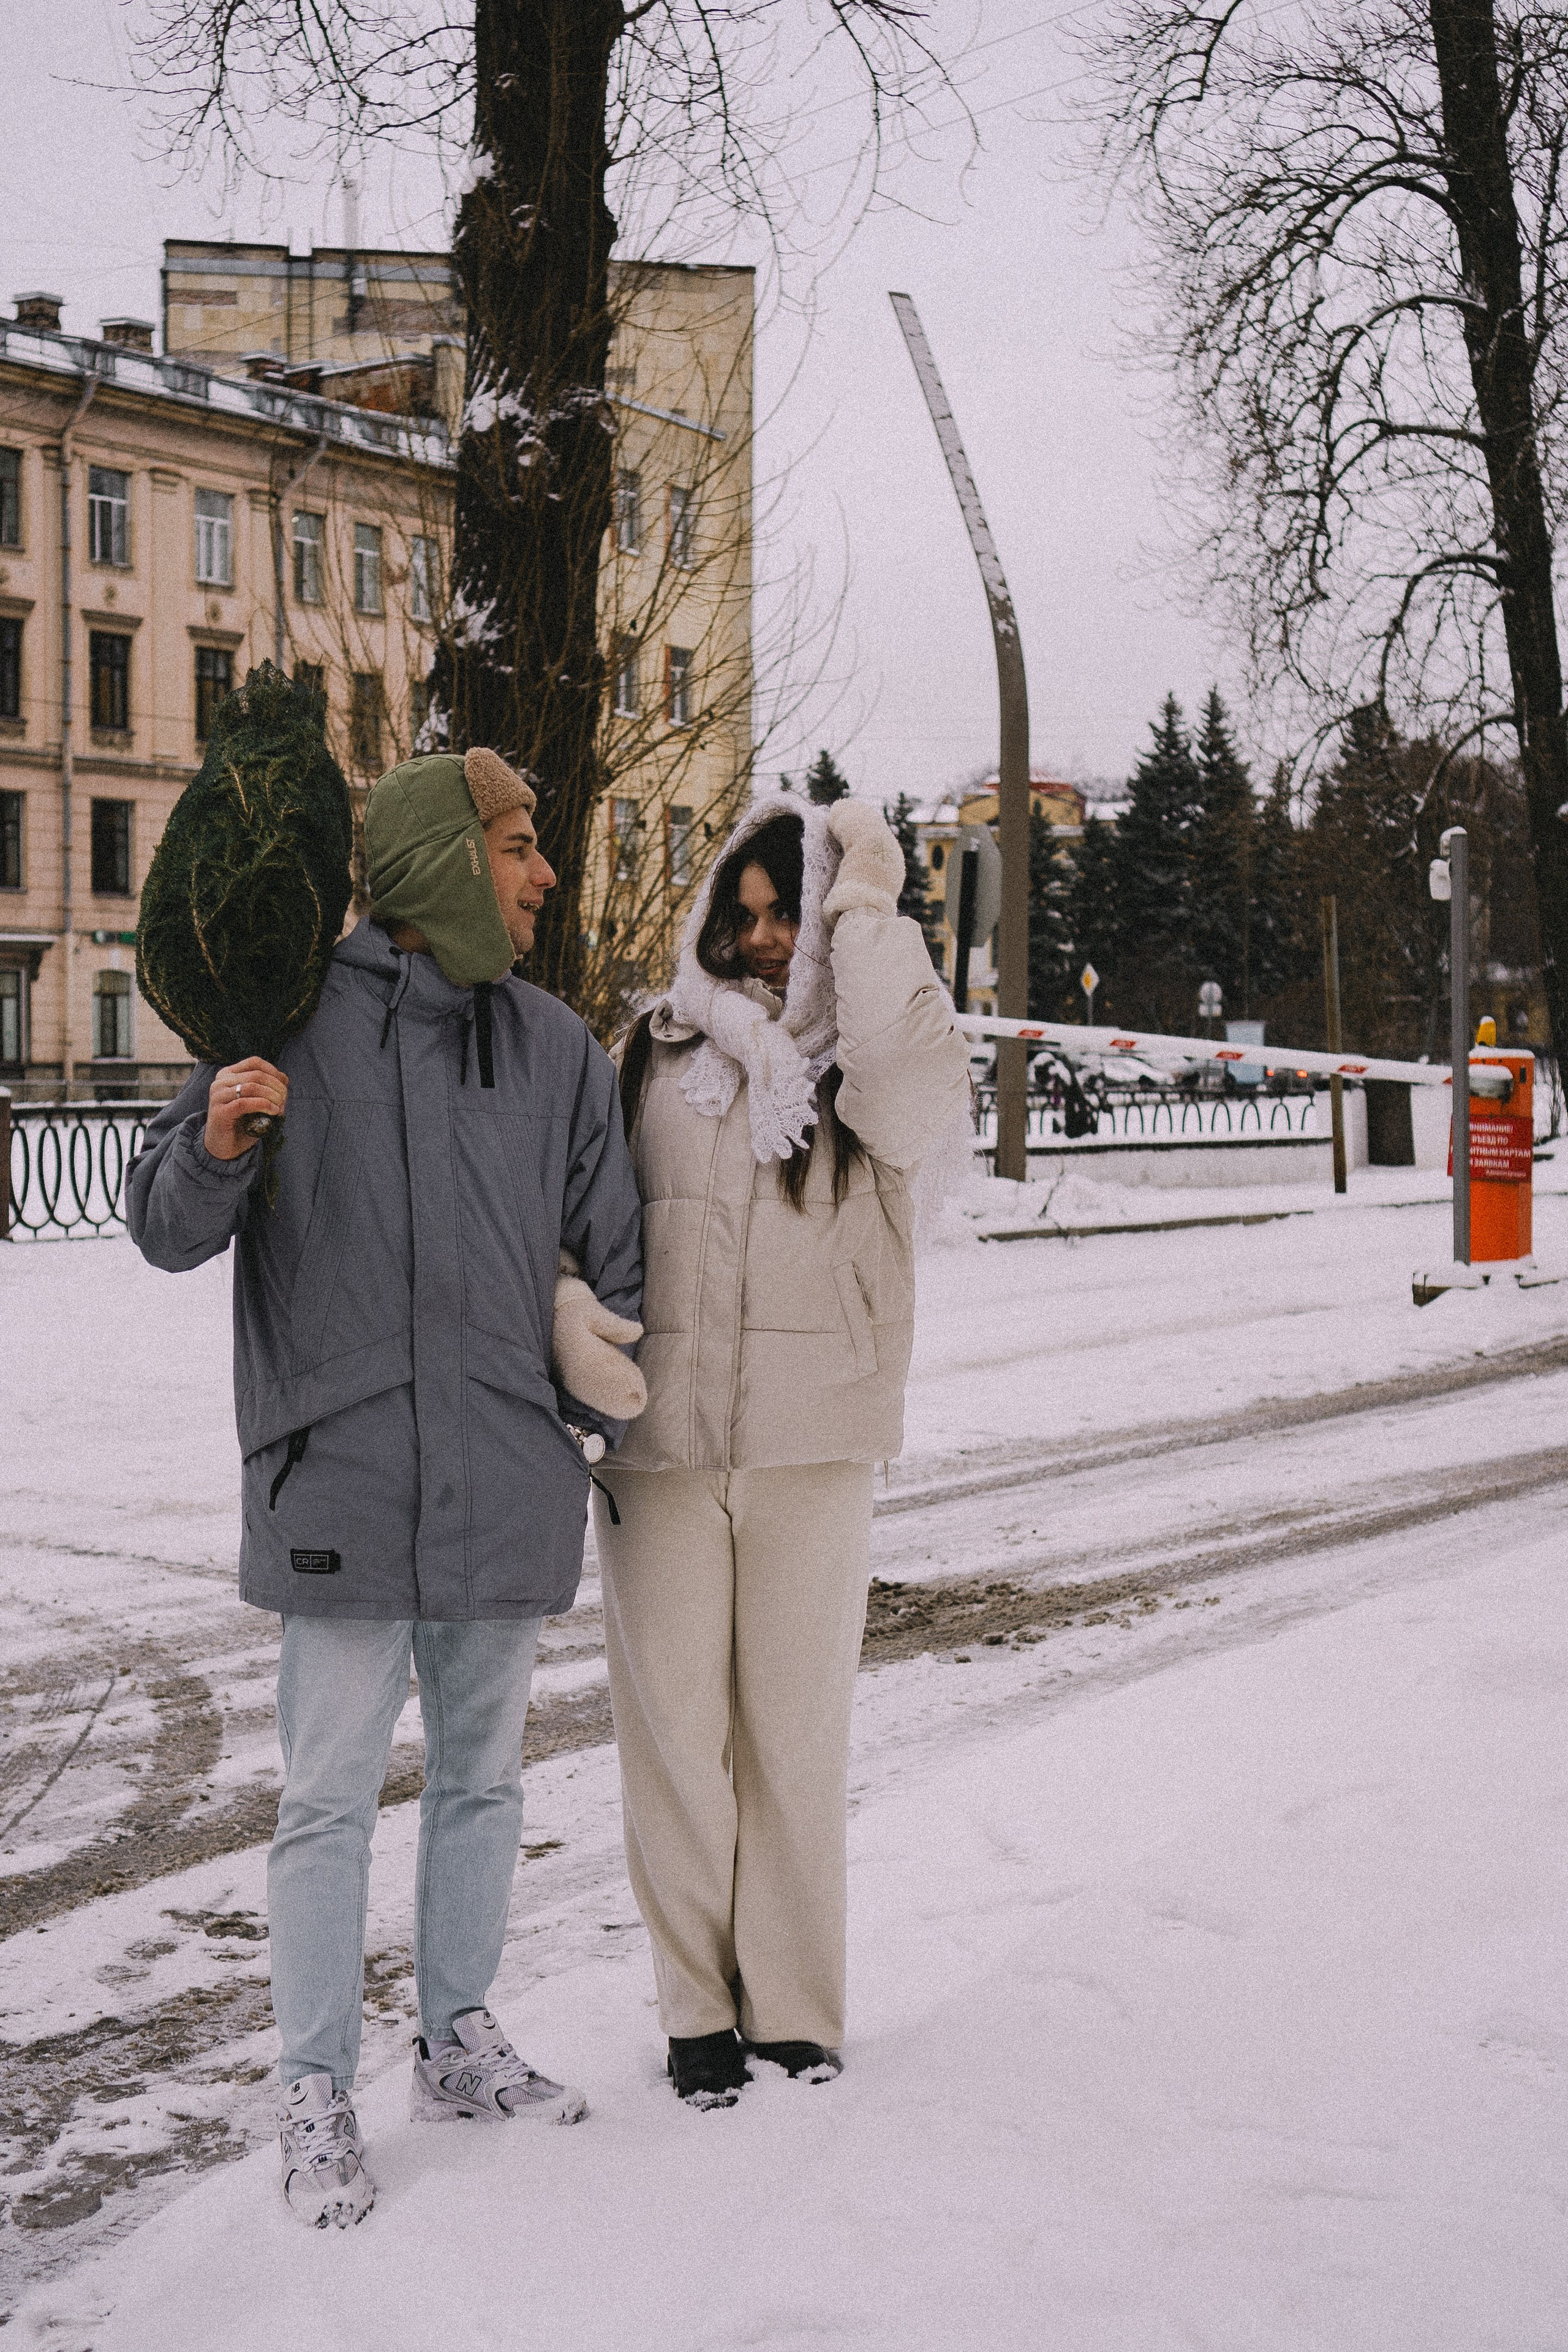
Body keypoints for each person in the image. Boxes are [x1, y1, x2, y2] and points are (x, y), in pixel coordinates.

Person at [127, 748, 644, 2226]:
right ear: (435, 857)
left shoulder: (553, 1049)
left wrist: (589, 1386)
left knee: (483, 1783)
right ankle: (312, 2084)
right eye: (516, 843)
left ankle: (458, 2035)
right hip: (338, 1476)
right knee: (327, 1799)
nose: (543, 871)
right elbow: (164, 1224)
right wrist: (221, 1141)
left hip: (501, 1468)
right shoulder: (282, 1021)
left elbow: (618, 1260)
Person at [596, 793, 971, 2108]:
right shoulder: (652, 1052)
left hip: (813, 1447)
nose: (756, 941)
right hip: (660, 1454)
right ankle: (696, 2011)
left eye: (782, 914)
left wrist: (864, 901)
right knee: (674, 1742)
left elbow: (922, 1077)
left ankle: (795, 2011)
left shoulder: (862, 1078)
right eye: (737, 915)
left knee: (794, 1741)